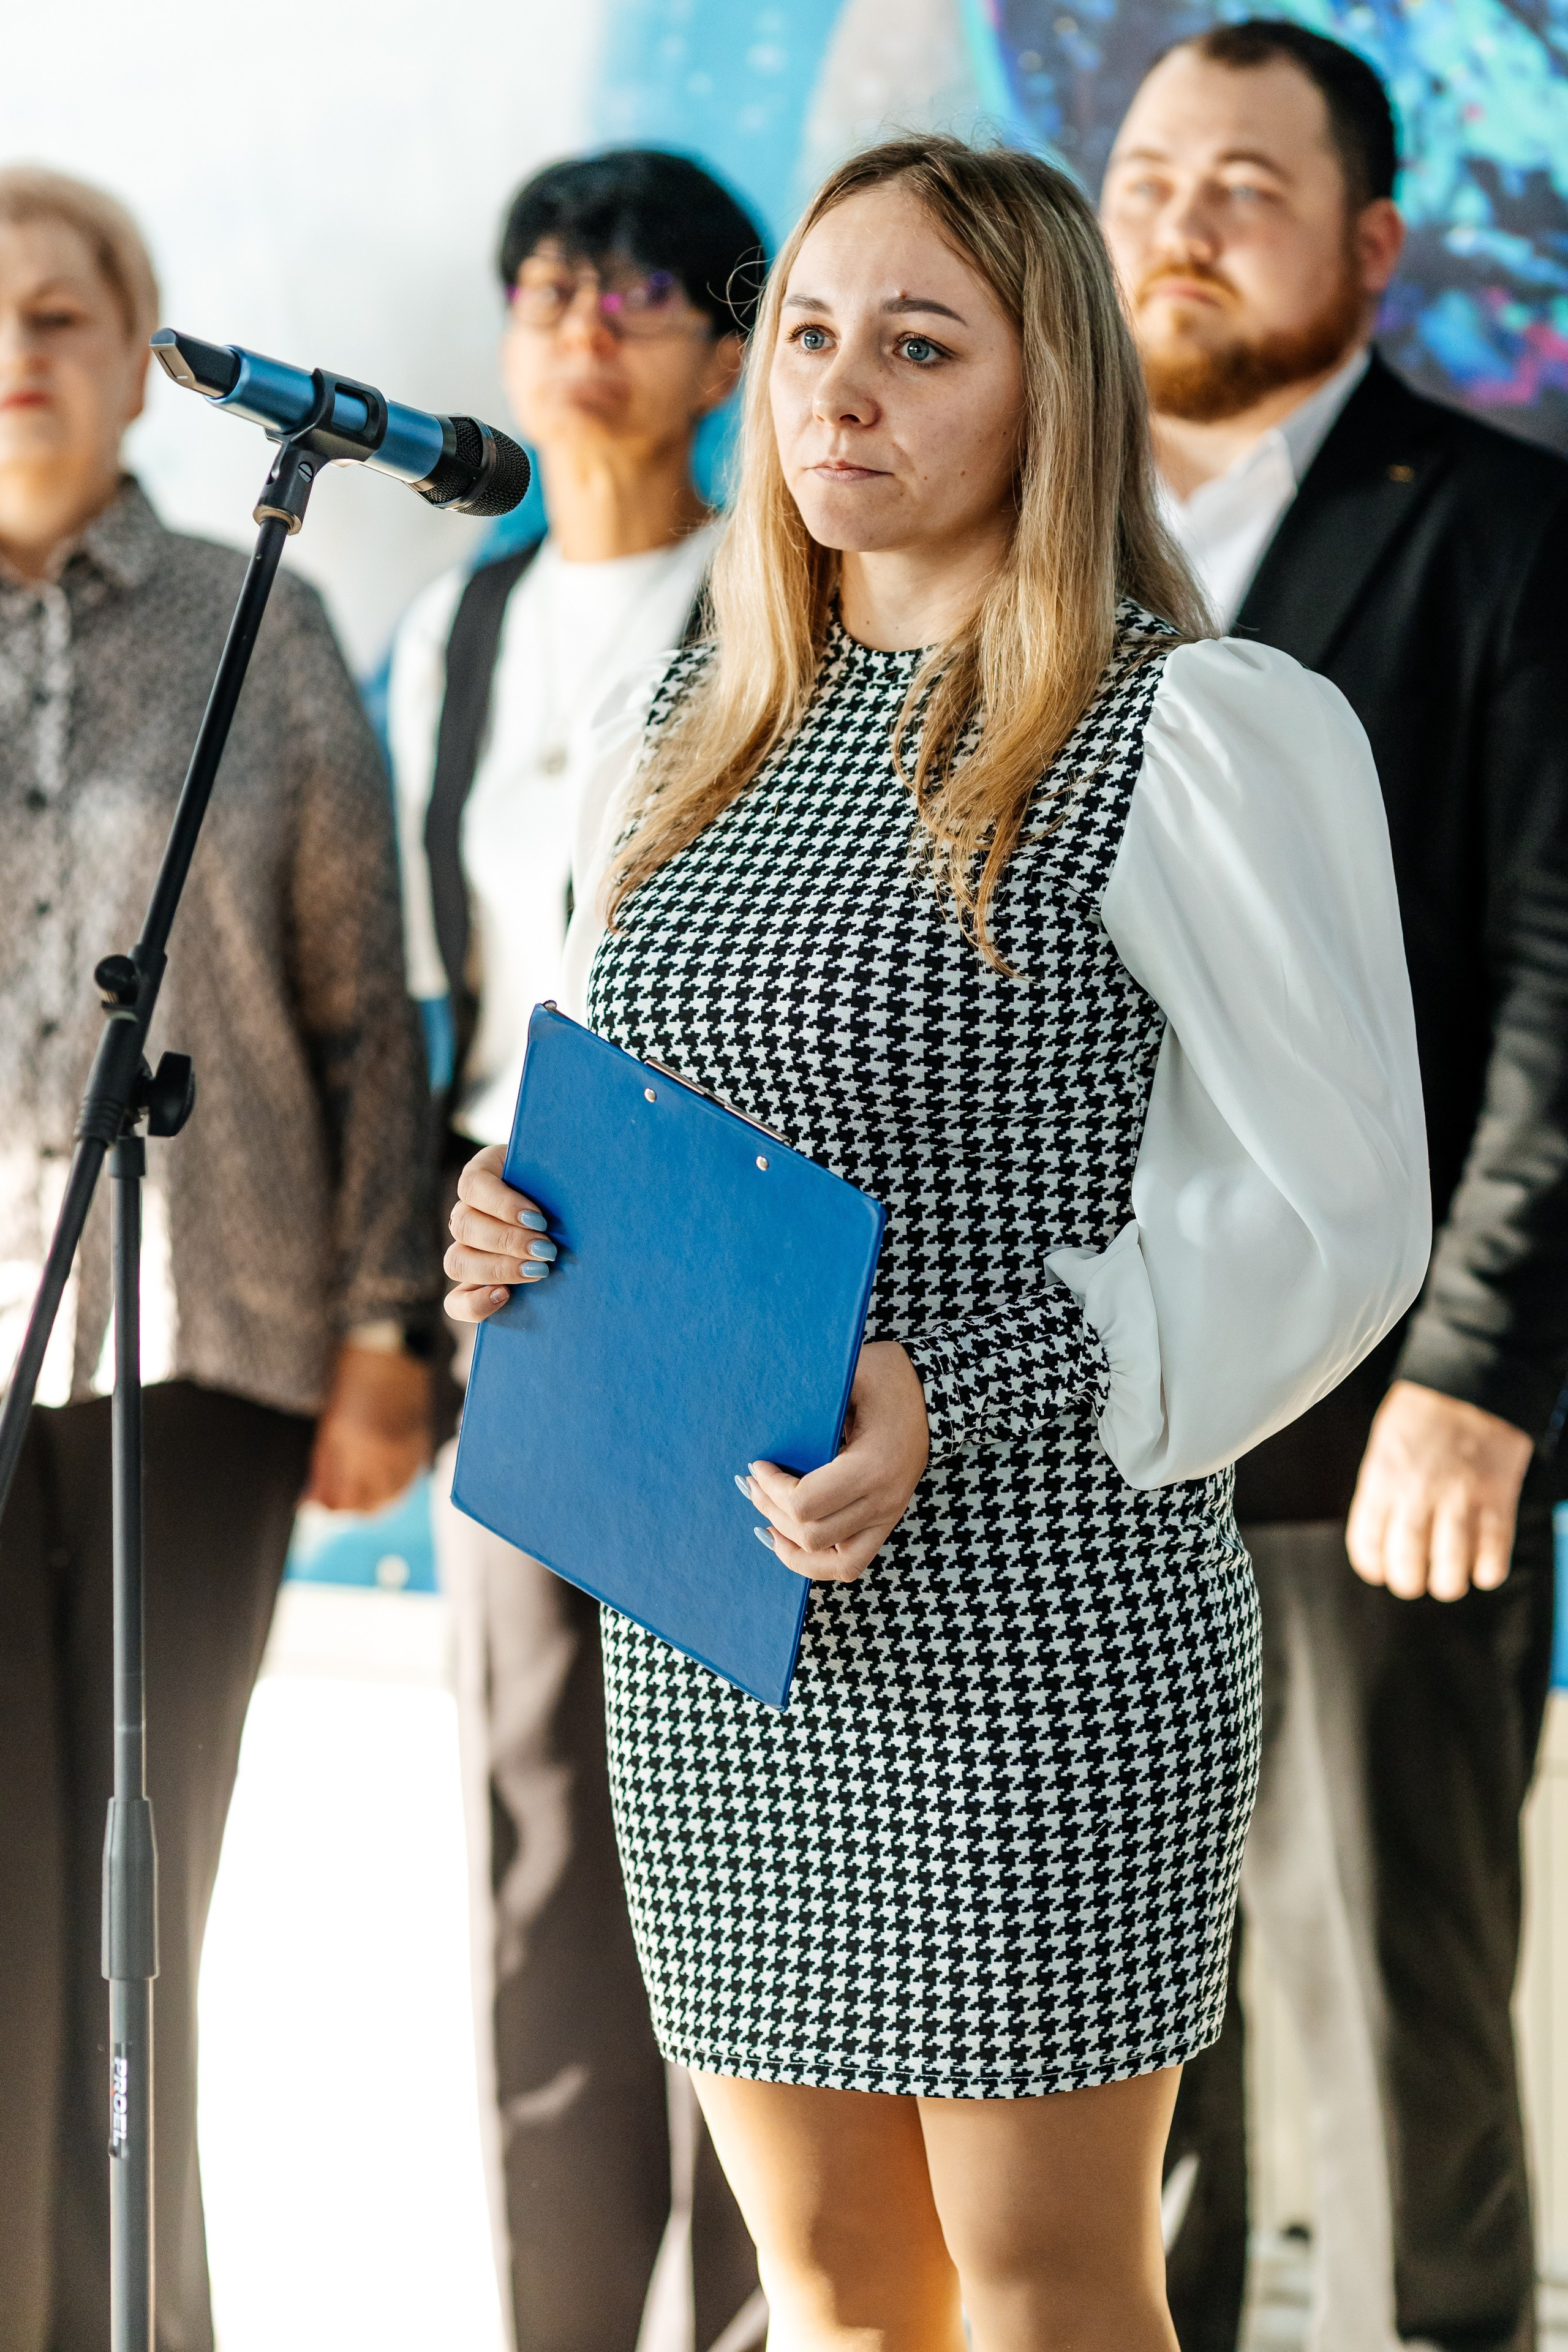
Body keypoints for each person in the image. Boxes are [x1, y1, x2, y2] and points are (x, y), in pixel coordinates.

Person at [440, 133, 1430, 2351]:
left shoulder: (1184, 726)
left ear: (1051, 389)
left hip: (1042, 1630)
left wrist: (961, 1388)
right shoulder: (690, 724)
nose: (838, 393)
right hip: (719, 1642)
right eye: (806, 333)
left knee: (1057, 2290)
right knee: (830, 2292)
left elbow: (1340, 1209)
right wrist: (512, 1229)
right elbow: (645, 1128)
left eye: (917, 345)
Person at [1100, 24, 1568, 2352]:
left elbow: (1567, 982)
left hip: (1385, 1414)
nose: (1178, 223)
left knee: (1399, 1998)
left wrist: (1476, 1373)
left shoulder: (1506, 531)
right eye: (1149, 174)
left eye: (1243, 188)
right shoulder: (1028, 537)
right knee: (1113, 2038)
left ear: (1373, 248)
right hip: (1080, 1400)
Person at [0, 168, 435, 2351]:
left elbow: (367, 998)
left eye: (66, 313)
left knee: (139, 1886)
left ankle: (150, 2324)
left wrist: (387, 1327)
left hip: (216, 1334)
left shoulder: (260, 617)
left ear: (139, 345)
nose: (21, 352)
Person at [388, 148, 766, 2352]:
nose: (577, 321)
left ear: (728, 351)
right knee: (538, 1834)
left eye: (633, 287)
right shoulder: (460, 620)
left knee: (745, 1853)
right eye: (542, 281)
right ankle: (557, 2322)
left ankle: (761, 2312)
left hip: (721, 1279)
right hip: (504, 1275)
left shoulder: (784, 605)